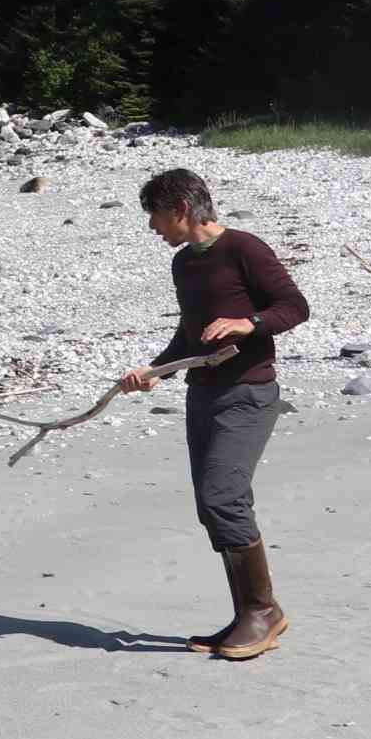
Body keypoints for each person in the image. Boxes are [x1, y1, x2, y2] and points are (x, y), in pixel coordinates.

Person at [115, 167, 309, 660]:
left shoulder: (245, 248)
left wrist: (250, 322)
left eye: (155, 215)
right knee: (211, 504)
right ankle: (251, 613)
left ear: (181, 209)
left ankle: (262, 612)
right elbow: (189, 335)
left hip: (248, 393)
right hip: (202, 394)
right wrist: (154, 371)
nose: (152, 226)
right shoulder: (184, 263)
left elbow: (294, 307)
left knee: (224, 496)